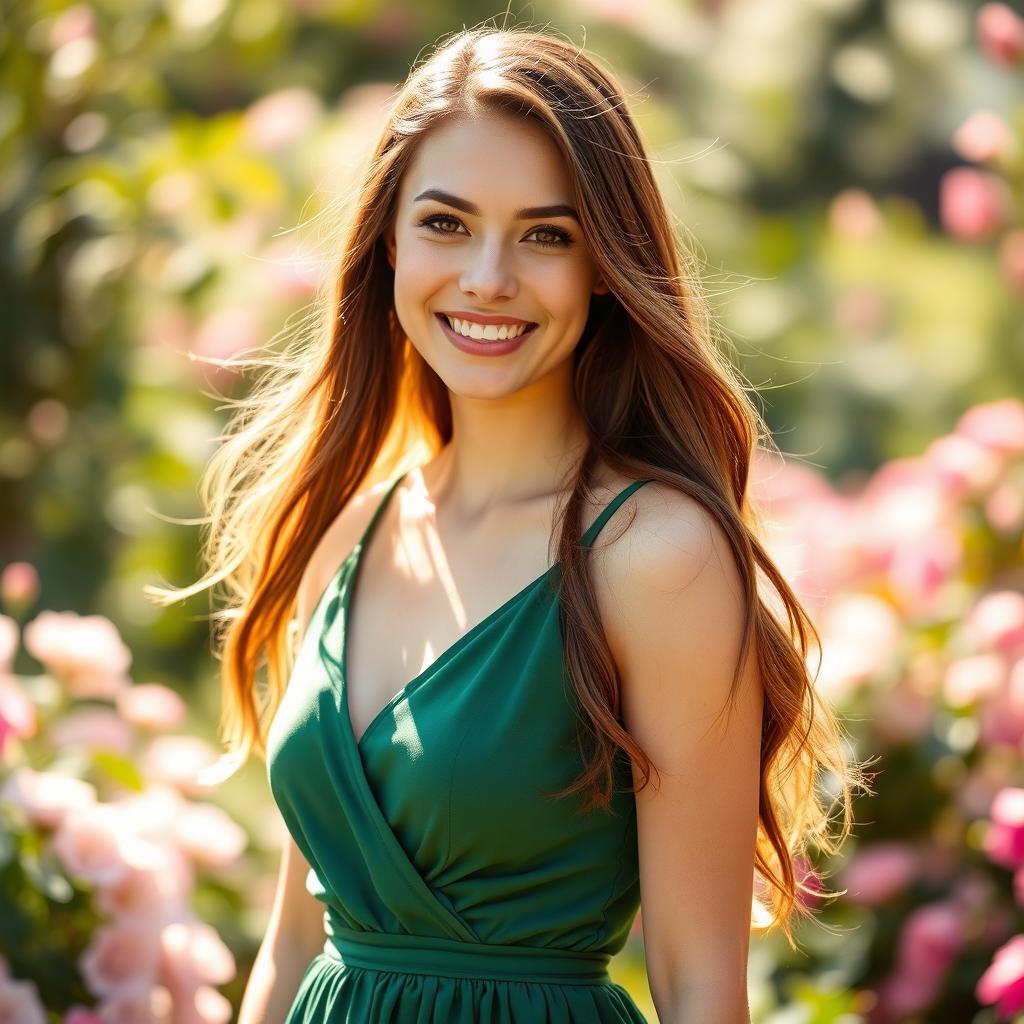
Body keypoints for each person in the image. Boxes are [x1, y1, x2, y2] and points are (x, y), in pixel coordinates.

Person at [160, 23, 869, 1024]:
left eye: (546, 234)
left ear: (603, 267)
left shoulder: (652, 555)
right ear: (388, 241)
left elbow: (700, 980)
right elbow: (291, 942)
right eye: (446, 223)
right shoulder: (344, 532)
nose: (488, 277)